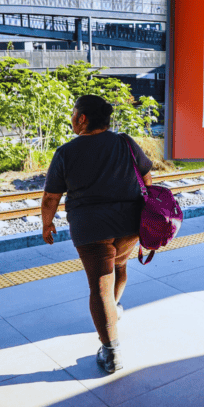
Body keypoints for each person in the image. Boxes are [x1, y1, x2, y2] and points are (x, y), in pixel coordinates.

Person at [41, 94, 153, 374]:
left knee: (100, 286)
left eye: (73, 112)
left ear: (82, 119)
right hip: (129, 225)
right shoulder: (125, 142)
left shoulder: (66, 152)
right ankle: (112, 311)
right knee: (120, 266)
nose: (71, 117)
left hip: (91, 228)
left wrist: (47, 223)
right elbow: (147, 178)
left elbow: (50, 196)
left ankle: (111, 352)